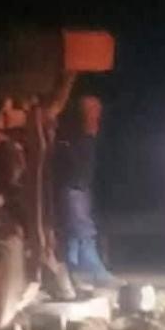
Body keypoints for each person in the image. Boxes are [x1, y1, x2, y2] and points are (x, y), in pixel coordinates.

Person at [53, 93, 119, 288]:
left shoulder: (86, 140)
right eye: (93, 112)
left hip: (80, 187)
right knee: (81, 229)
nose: (97, 117)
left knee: (77, 231)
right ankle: (90, 272)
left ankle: (76, 271)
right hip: (74, 188)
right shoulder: (72, 142)